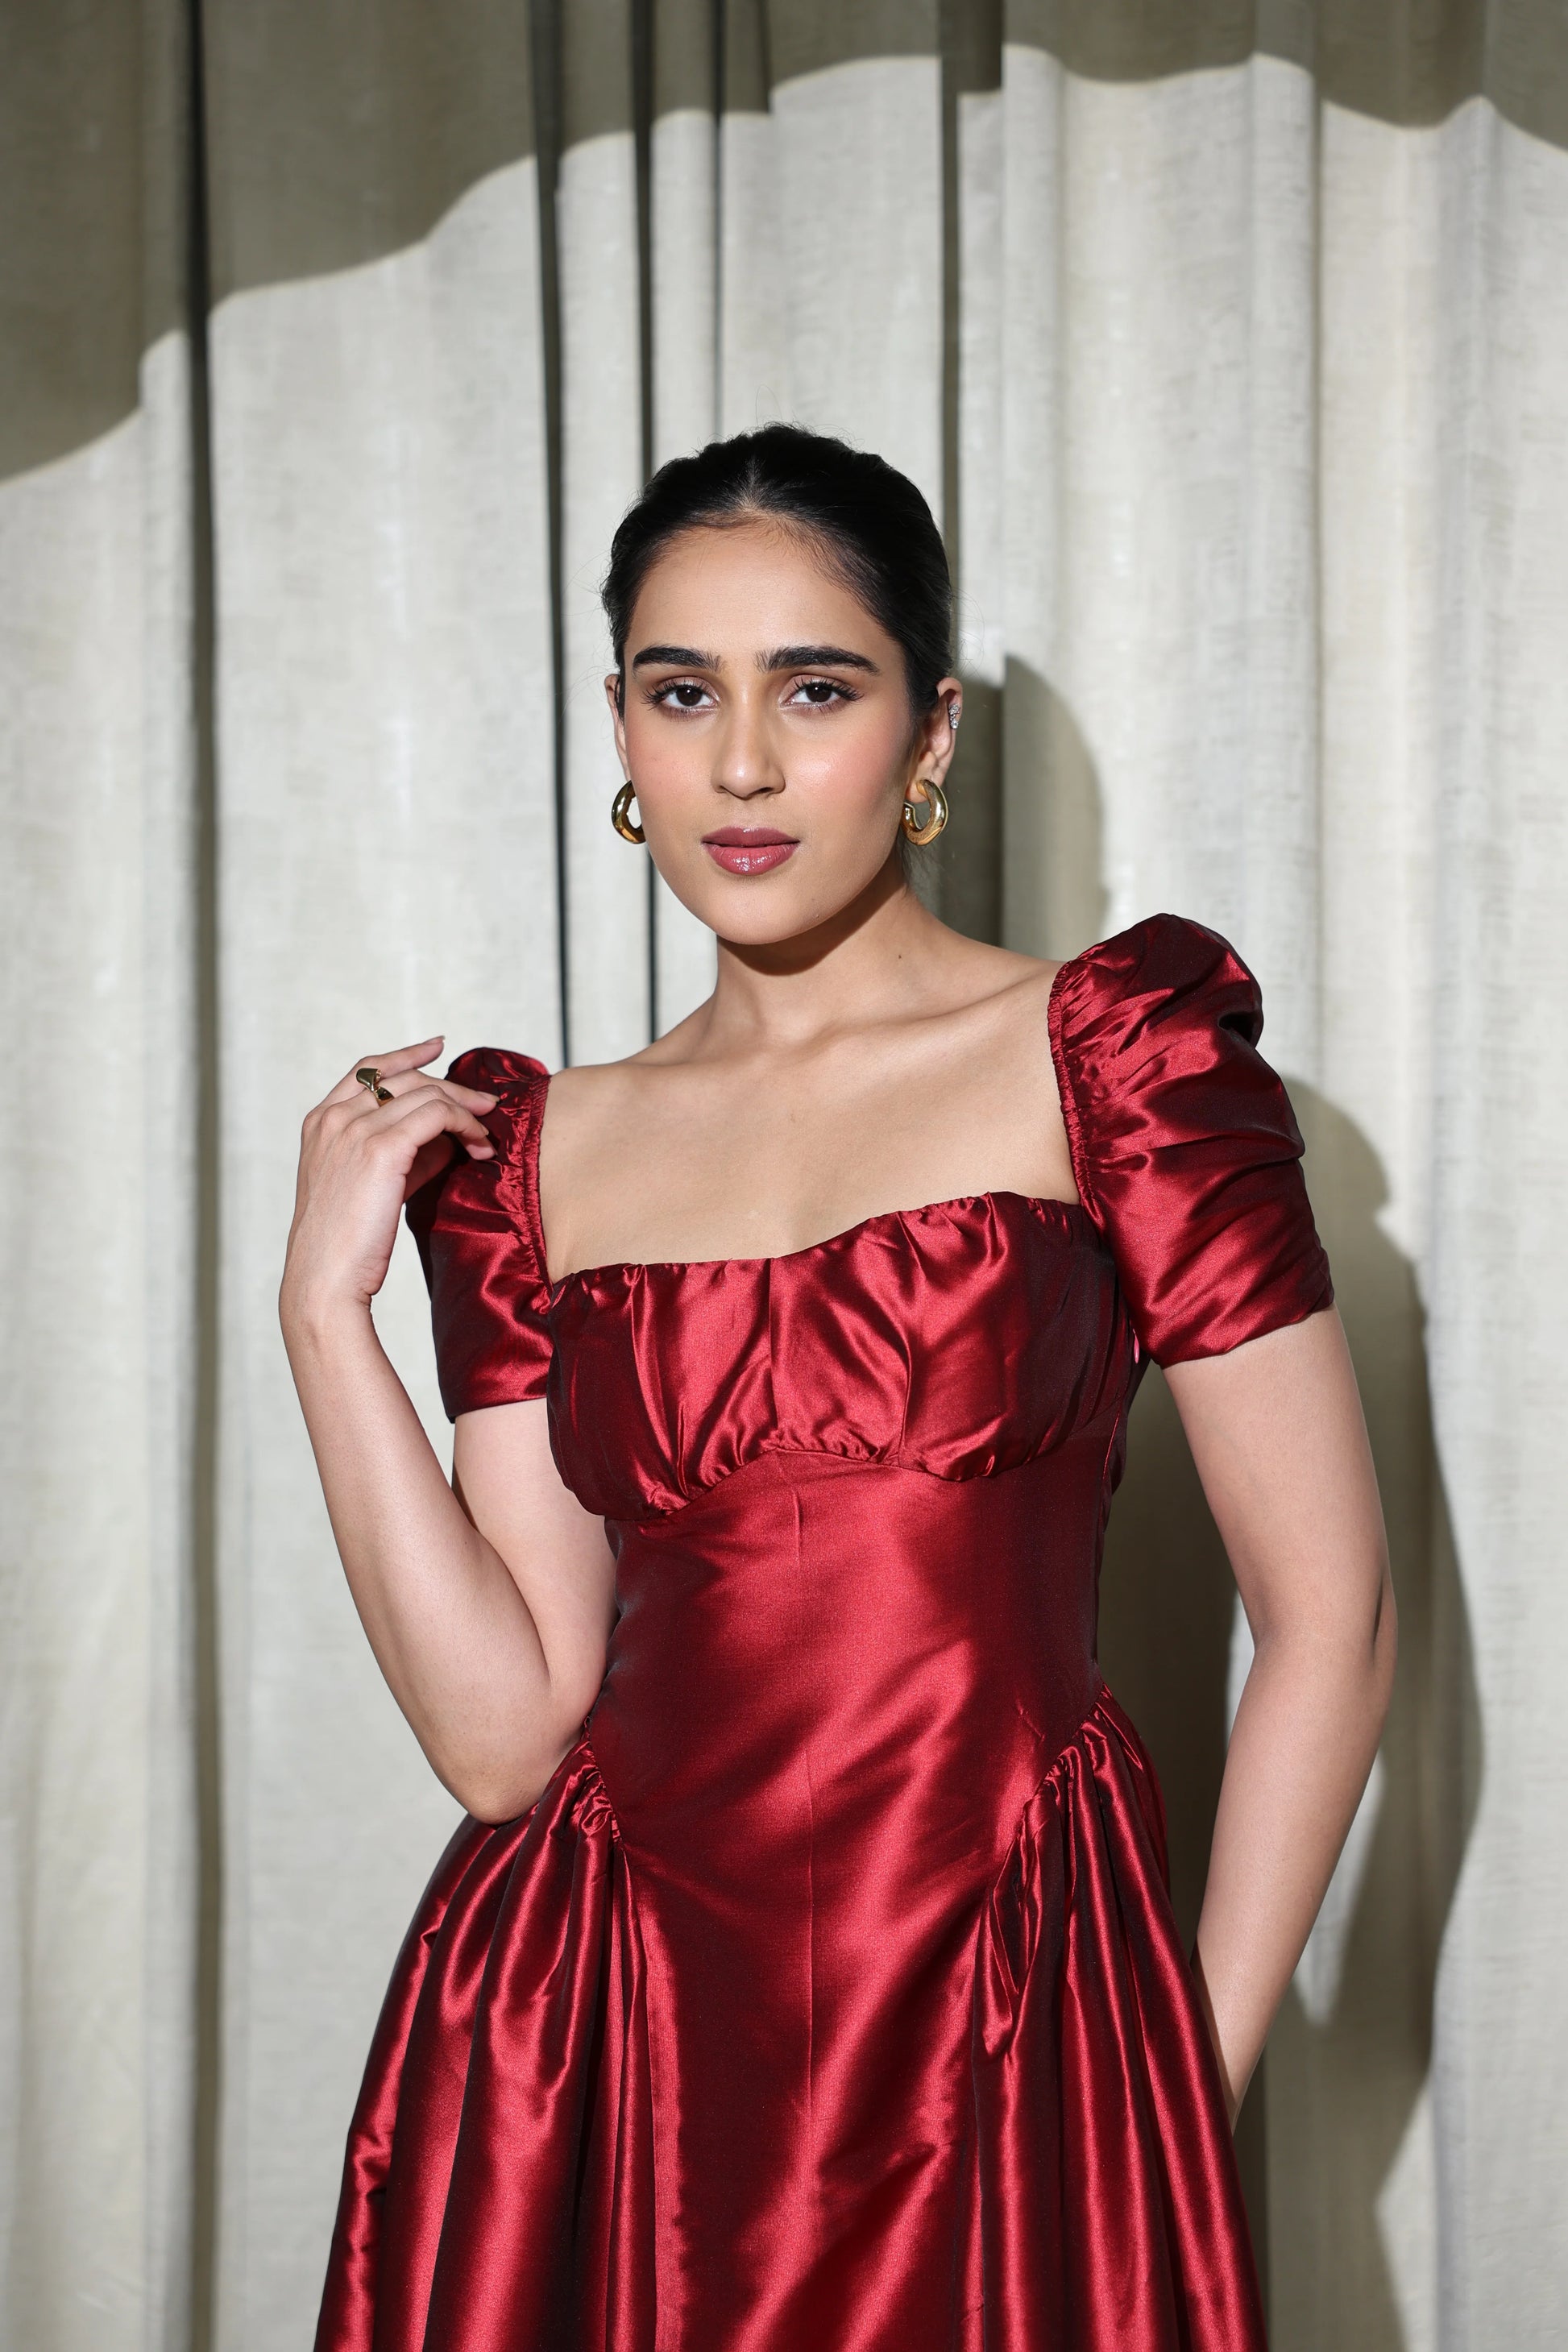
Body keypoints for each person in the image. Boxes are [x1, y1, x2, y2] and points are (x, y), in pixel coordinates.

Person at [284, 425, 1395, 2351]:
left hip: (1012, 2015)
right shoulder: (533, 1156)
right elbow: (502, 1741)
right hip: (608, 2050)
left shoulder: (1114, 1062)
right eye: (679, 691)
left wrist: (1169, 2089)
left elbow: (1333, 1617)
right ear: (619, 733)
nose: (741, 762)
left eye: (815, 688)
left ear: (928, 728)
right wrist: (325, 1311)